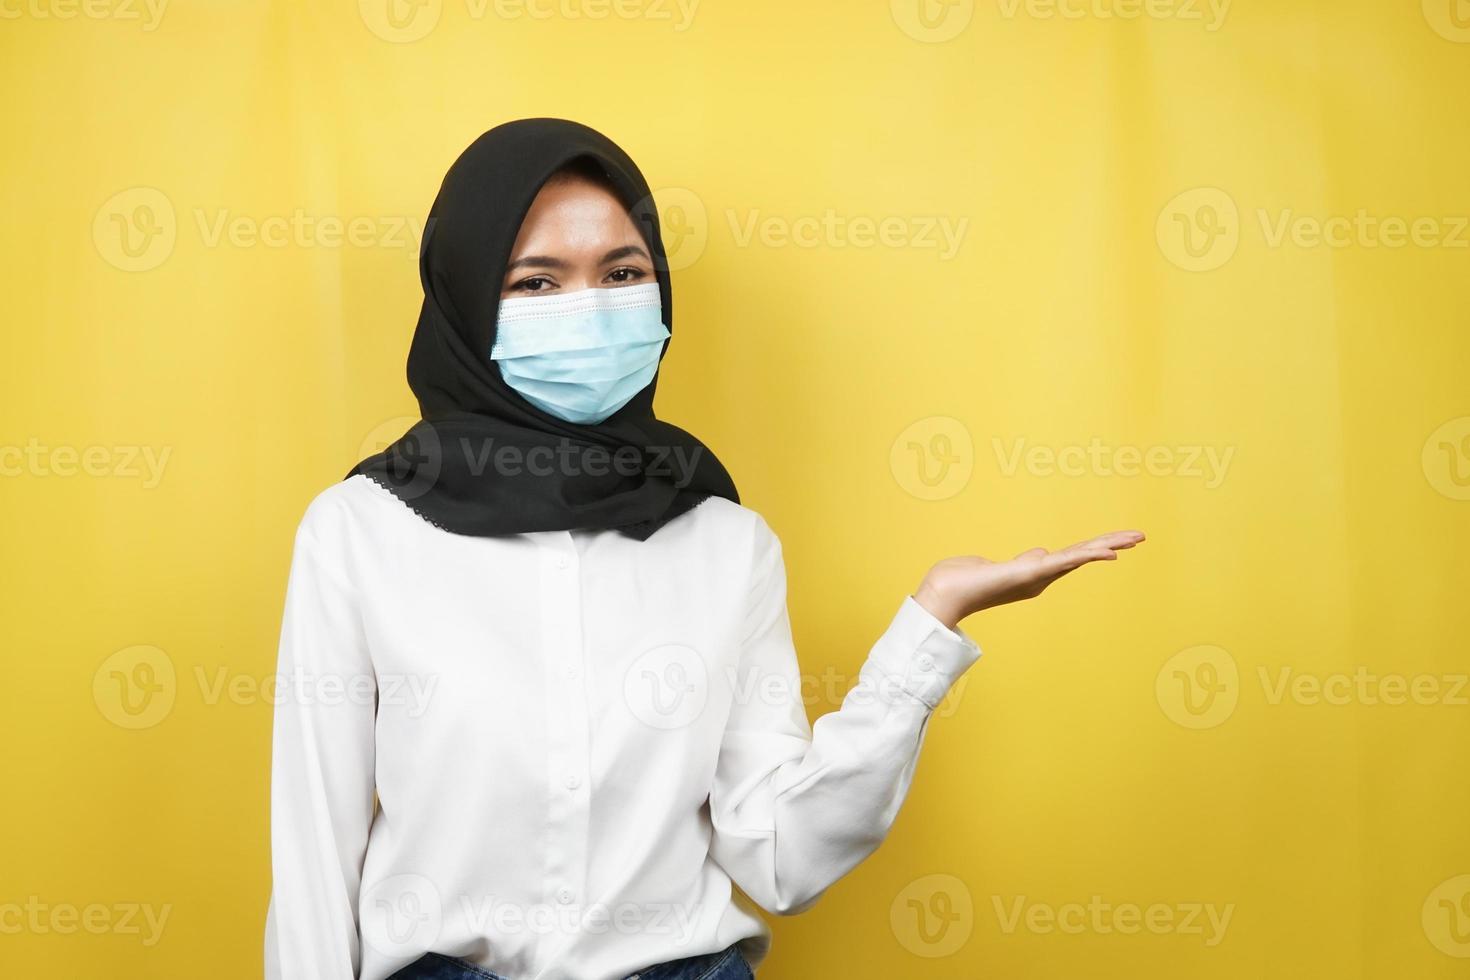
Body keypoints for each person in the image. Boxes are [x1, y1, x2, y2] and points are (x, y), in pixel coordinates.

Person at [262, 118, 1144, 980]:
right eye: (535, 283)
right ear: (464, 301)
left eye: (622, 272)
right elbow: (314, 855)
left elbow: (779, 856)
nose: (590, 309)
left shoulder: (728, 543)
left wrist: (930, 626)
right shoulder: (360, 532)